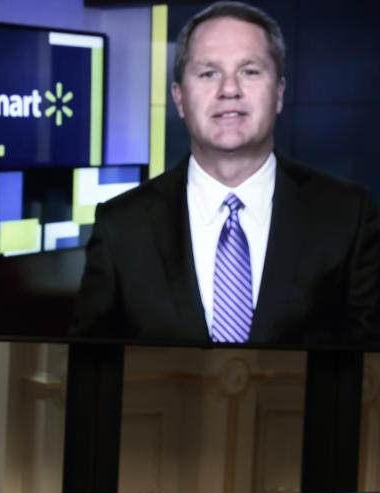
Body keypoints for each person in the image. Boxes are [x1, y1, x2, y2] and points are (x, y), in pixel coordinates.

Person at [72, 1, 380, 346]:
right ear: (179, 98)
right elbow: (90, 374)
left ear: (279, 93)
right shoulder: (121, 226)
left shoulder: (347, 216)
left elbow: (370, 375)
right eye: (208, 73)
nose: (229, 89)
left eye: (249, 71)